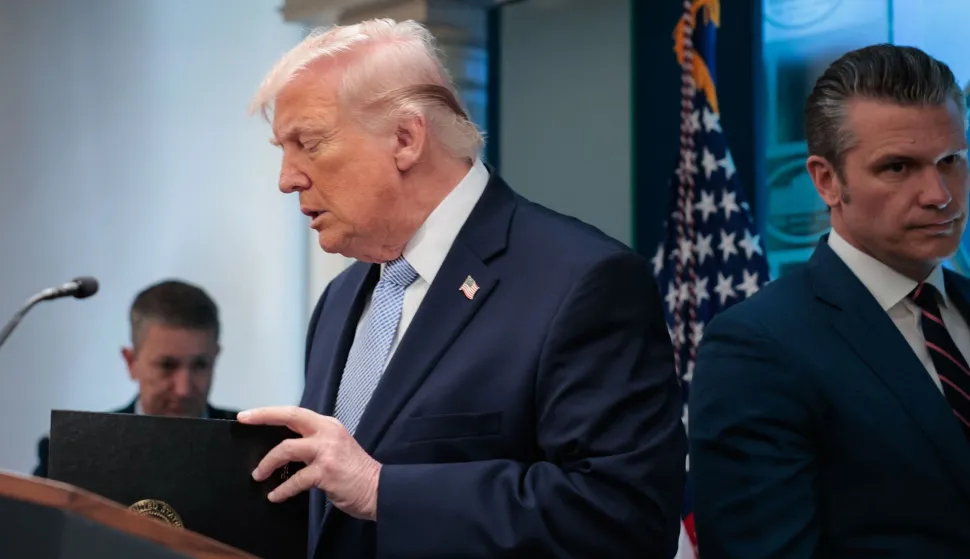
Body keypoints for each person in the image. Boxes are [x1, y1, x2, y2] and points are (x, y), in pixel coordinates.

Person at [236, 18, 686, 559]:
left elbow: (625, 518)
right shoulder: (340, 300)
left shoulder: (583, 282)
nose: (287, 178)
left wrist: (383, 490)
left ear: (405, 138)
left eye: (307, 143)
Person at [689, 43, 970, 558]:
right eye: (898, 168)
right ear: (826, 181)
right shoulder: (758, 347)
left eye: (950, 160)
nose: (940, 194)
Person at [33, 279, 235, 478]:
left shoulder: (255, 451)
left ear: (215, 358)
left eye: (200, 365)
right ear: (131, 362)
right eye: (167, 366)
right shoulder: (73, 452)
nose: (183, 389)